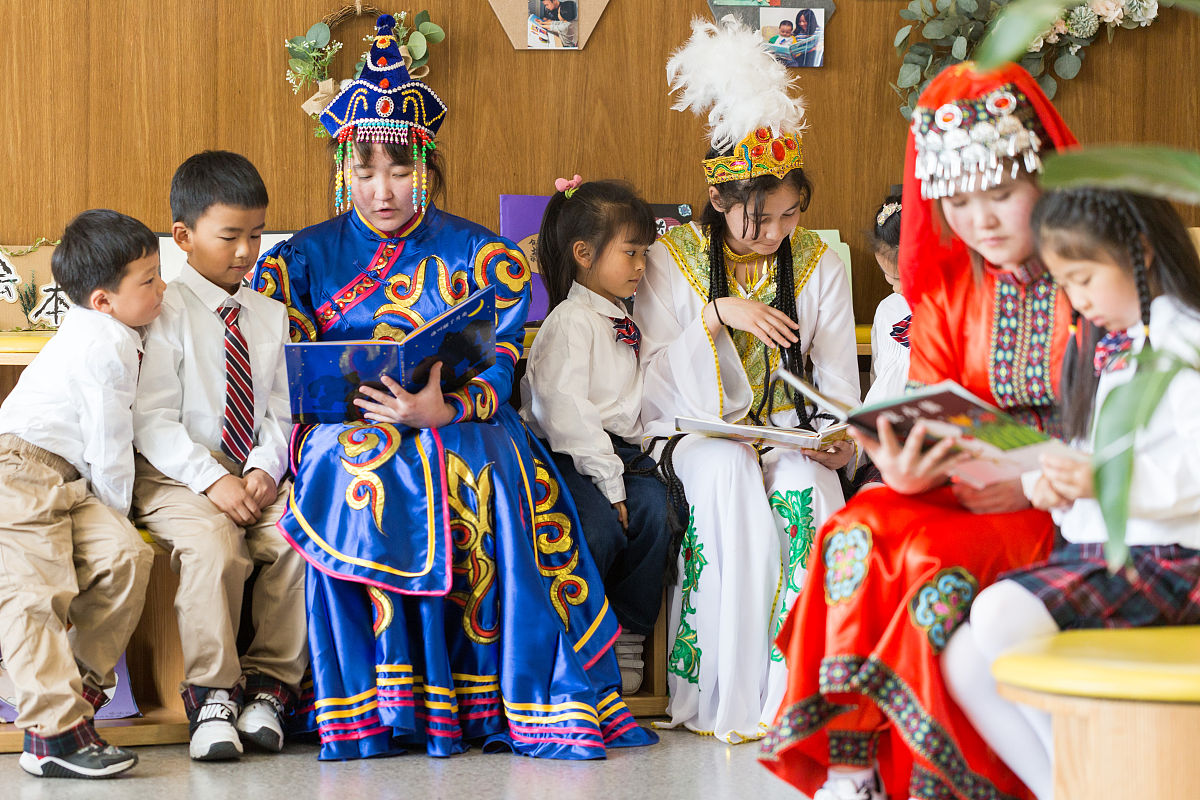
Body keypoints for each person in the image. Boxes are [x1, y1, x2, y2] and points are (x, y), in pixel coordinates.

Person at [251, 15, 656, 761]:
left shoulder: (484, 254)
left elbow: (502, 360)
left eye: (400, 171)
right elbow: (288, 372)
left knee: (483, 470)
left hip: (465, 418)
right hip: (348, 426)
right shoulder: (299, 259)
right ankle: (377, 705)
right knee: (354, 466)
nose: (382, 189)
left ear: (429, 167)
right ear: (344, 167)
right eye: (365, 171)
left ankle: (482, 697)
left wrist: (444, 407)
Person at [760, 61, 1079, 800]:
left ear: (1047, 178)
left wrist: (1027, 478)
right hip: (966, 491)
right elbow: (934, 407)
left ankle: (928, 776)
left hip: (1065, 500)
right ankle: (851, 760)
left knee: (924, 556)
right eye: (960, 202)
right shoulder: (950, 287)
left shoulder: (1091, 277)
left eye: (1002, 195)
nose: (982, 221)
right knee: (857, 524)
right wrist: (903, 466)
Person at [635, 16, 860, 743]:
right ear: (722, 201)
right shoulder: (673, 259)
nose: (776, 233)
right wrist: (715, 317)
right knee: (730, 475)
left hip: (786, 432)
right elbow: (653, 381)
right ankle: (726, 697)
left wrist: (839, 439)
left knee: (808, 489)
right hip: (693, 431)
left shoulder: (821, 264)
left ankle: (797, 697)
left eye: (791, 214)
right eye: (759, 218)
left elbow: (833, 385)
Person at [942, 187, 1200, 800]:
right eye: (1065, 284)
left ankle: (1097, 782)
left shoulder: (1183, 339)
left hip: (1175, 561)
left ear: (1139, 252)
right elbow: (1100, 464)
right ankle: (1070, 786)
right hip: (1116, 555)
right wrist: (1048, 481)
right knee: (964, 660)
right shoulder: (1123, 344)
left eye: (1084, 279)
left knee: (1001, 611)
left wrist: (1099, 481)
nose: (1077, 301)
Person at [133, 151, 305, 761]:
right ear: (182, 237)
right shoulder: (163, 310)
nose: (245, 251)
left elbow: (280, 411)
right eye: (229, 235)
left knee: (296, 533)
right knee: (214, 546)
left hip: (249, 470)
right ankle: (212, 693)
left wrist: (263, 466)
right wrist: (211, 479)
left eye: (256, 235)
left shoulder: (268, 315)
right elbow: (149, 419)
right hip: (177, 473)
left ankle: (269, 687)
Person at [0, 210, 161, 778]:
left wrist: (115, 526)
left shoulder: (117, 331)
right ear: (101, 299)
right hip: (19, 468)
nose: (161, 287)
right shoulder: (105, 341)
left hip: (70, 480)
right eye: (148, 280)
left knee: (127, 556)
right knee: (35, 591)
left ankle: (81, 694)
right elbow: (109, 440)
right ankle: (53, 737)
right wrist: (120, 510)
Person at [519, 178, 672, 695]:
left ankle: (628, 634)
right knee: (599, 531)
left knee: (658, 513)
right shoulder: (570, 322)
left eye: (644, 253)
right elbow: (566, 413)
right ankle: (582, 636)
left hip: (623, 454)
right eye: (630, 253)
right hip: (570, 455)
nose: (640, 266)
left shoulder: (625, 316)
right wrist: (608, 481)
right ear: (584, 254)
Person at [852, 193, 910, 487]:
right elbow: (879, 378)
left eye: (907, 279)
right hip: (886, 449)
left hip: (941, 450)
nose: (899, 289)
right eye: (890, 279)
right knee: (866, 507)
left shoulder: (957, 311)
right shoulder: (888, 309)